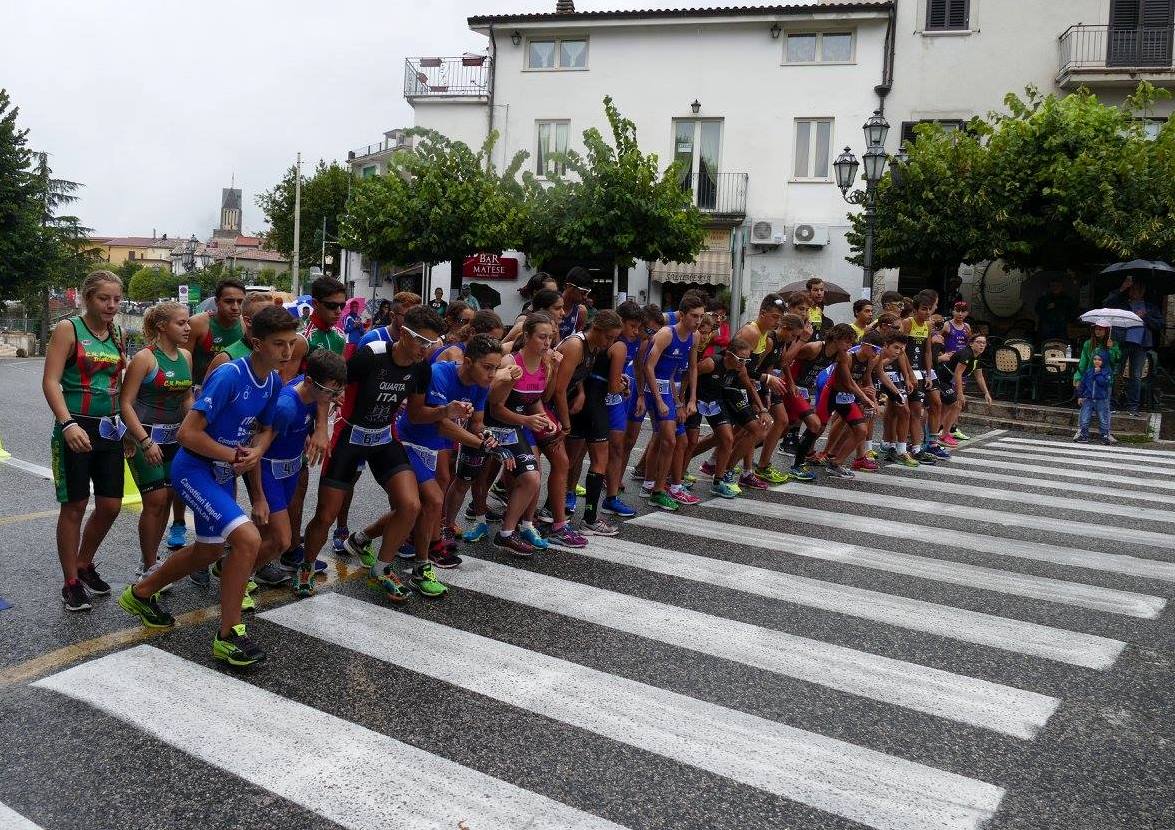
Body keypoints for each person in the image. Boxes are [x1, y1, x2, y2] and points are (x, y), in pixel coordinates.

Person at [119, 305, 299, 667]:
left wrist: (259, 492)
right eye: (279, 344)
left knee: (207, 551)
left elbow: (261, 436)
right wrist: (234, 455)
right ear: (257, 343)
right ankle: (229, 634)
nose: (288, 352)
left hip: (222, 473)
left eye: (291, 343)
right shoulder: (230, 375)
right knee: (247, 539)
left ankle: (141, 593)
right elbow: (187, 434)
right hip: (194, 470)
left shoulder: (274, 381)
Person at [313, 305, 449, 600]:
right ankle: (305, 564)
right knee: (326, 514)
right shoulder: (371, 355)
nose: (426, 349)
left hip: (384, 437)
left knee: (410, 505)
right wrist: (321, 428)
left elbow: (415, 414)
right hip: (350, 435)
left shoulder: (421, 368)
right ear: (403, 333)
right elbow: (330, 387)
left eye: (433, 343)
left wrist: (444, 411)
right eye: (422, 341)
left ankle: (383, 567)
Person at [42, 271, 128, 612]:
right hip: (75, 427)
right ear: (87, 299)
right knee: (75, 506)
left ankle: (84, 562)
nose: (111, 306)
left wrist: (128, 431)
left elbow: (118, 385)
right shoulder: (69, 329)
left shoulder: (118, 332)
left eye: (116, 300)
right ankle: (71, 582)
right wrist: (67, 424)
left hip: (109, 429)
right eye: (103, 298)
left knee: (110, 505)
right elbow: (50, 382)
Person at [398, 333, 504, 578]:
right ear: (467, 362)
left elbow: (477, 422)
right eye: (487, 367)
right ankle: (421, 544)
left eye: (496, 368)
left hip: (438, 439)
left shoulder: (481, 384)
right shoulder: (439, 374)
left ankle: (419, 538)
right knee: (425, 500)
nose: (491, 374)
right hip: (412, 438)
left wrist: (486, 435)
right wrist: (482, 445)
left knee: (441, 485)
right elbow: (441, 424)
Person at [250, 350, 347, 598]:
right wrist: (258, 496)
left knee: (266, 533)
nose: (334, 398)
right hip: (269, 471)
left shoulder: (316, 393)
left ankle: (248, 568)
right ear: (309, 381)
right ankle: (237, 573)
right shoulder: (285, 407)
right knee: (282, 539)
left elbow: (321, 402)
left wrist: (317, 429)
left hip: (291, 468)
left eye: (337, 392)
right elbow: (256, 452)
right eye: (331, 392)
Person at [120, 301, 193, 585]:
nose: (188, 328)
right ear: (163, 326)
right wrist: (144, 440)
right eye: (181, 323)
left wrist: (193, 427)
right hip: (144, 438)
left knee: (166, 501)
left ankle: (149, 558)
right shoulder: (145, 358)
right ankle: (149, 566)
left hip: (175, 439)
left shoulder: (185, 356)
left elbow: (187, 397)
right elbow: (126, 403)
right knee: (155, 500)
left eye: (187, 322)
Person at [169, 279, 246, 549]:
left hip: (223, 397)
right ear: (216, 302)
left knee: (221, 462)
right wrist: (187, 399)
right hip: (193, 393)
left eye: (239, 301)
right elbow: (181, 361)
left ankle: (222, 520)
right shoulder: (200, 324)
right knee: (189, 455)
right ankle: (178, 522)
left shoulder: (245, 327)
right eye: (229, 301)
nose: (235, 307)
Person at [556, 310, 625, 536]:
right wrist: (565, 423)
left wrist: (582, 392)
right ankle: (587, 519)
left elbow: (579, 376)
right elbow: (558, 389)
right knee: (585, 461)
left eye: (615, 338)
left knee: (565, 463)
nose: (611, 343)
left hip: (575, 404)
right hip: (553, 407)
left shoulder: (593, 346)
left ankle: (553, 514)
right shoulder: (577, 345)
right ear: (596, 329)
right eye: (609, 337)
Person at [643, 293, 703, 512]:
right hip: (655, 387)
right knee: (669, 440)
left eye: (701, 317)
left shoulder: (694, 337)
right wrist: (658, 400)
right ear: (683, 315)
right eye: (694, 316)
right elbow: (648, 367)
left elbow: (693, 368)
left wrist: (690, 399)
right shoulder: (666, 334)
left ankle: (654, 484)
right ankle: (658, 491)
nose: (698, 321)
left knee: (675, 440)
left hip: (671, 387)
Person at [1103, 275, 1163, 415]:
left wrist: (1145, 317)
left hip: (1141, 345)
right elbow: (1106, 303)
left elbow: (1159, 324)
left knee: (1135, 376)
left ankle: (1133, 407)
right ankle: (1111, 404)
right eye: (1133, 289)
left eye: (1138, 289)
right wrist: (1121, 288)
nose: (1135, 291)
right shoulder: (1121, 303)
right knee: (1116, 372)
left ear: (1143, 291)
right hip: (1121, 342)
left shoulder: (1149, 306)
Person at [937, 333, 993, 445]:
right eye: (978, 342)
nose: (982, 345)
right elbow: (958, 374)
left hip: (949, 382)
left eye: (984, 343)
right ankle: (939, 434)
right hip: (941, 379)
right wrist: (960, 394)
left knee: (956, 405)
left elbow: (979, 376)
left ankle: (943, 433)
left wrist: (986, 393)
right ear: (971, 344)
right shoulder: (966, 354)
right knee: (954, 402)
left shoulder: (977, 357)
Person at [1075, 351, 1115, 444]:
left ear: (1104, 361)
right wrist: (1080, 396)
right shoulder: (1089, 371)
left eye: (1099, 360)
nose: (1097, 361)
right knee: (1084, 417)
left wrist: (1098, 374)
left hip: (1101, 399)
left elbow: (1104, 383)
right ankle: (1084, 435)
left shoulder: (1106, 372)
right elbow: (1083, 384)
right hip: (1088, 398)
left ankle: (1104, 436)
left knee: (1103, 417)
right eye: (1095, 359)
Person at [1034, 278, 1077, 344]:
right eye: (1053, 286)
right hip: (1047, 328)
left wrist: (1065, 317)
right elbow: (1038, 311)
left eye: (1058, 286)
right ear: (1049, 287)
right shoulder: (1044, 299)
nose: (1055, 288)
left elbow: (1073, 312)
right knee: (1047, 345)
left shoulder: (1067, 299)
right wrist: (1046, 308)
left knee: (1061, 345)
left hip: (1062, 328)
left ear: (1062, 287)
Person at [558, 268, 591, 339]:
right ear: (569, 286)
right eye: (583, 293)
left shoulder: (581, 311)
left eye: (587, 293)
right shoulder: (550, 305)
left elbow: (578, 340)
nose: (585, 297)